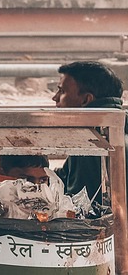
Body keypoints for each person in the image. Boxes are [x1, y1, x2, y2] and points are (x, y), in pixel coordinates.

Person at [51, 61, 125, 215]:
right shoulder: (113, 127)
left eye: (62, 91)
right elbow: (68, 177)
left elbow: (79, 207)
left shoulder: (94, 141)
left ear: (85, 100)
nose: (55, 98)